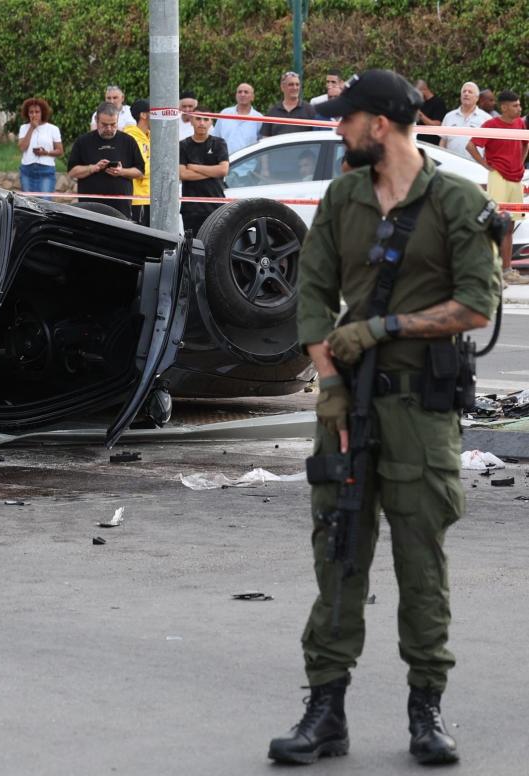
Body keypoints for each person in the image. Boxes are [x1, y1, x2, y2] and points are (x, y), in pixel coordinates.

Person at [269, 69, 500, 766]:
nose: (337, 127)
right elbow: (310, 295)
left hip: (421, 411)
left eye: (345, 117)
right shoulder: (341, 198)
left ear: (380, 123)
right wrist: (331, 382)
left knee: (419, 559)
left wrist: (380, 328)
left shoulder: (457, 202)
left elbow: (474, 306)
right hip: (348, 401)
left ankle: (425, 708)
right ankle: (324, 710)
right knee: (337, 550)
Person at [466, 90, 529, 286]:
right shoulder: (491, 124)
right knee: (495, 225)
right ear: (504, 107)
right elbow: (471, 145)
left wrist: (519, 162)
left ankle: (506, 270)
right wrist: (486, 165)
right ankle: (490, 270)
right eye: (515, 105)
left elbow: (526, 143)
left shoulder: (520, 124)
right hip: (499, 177)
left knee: (510, 226)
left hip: (515, 178)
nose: (519, 108)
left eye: (519, 105)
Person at [66, 102, 144, 216]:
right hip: (89, 207)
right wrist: (93, 168)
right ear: (97, 121)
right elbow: (72, 172)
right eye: (104, 124)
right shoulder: (83, 142)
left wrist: (121, 172)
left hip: (121, 207)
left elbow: (140, 172)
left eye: (113, 124)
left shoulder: (128, 141)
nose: (109, 128)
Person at [178, 107, 229, 235]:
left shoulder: (219, 143)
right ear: (191, 121)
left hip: (215, 205)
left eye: (206, 119)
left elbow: (223, 170)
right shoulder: (183, 145)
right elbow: (183, 174)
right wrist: (212, 171)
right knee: (193, 247)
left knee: (215, 246)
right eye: (198, 119)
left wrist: (194, 167)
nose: (202, 123)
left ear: (211, 122)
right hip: (191, 209)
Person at [16, 97, 63, 193]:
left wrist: (46, 152)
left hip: (46, 170)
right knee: (28, 203)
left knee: (45, 203)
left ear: (42, 113)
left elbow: (60, 150)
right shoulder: (24, 128)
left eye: (37, 112)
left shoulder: (52, 129)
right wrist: (31, 128)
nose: (34, 115)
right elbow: (22, 147)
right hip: (27, 170)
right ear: (27, 113)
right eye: (31, 112)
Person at [441, 82, 491, 158]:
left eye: (470, 92)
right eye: (464, 91)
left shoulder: (486, 118)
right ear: (461, 96)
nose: (466, 94)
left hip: (475, 165)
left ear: (477, 98)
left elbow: (490, 146)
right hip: (451, 164)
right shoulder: (449, 116)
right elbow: (443, 141)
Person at [261, 70, 317, 138]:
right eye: (291, 84)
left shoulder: (309, 110)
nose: (295, 88)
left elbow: (316, 137)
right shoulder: (272, 112)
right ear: (282, 87)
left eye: (297, 84)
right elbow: (265, 138)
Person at [123, 99, 152, 225]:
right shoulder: (132, 138)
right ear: (143, 115)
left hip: (151, 196)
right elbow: (142, 168)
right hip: (139, 198)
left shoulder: (150, 136)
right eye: (154, 113)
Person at [213, 83, 263, 154]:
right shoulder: (225, 114)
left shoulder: (259, 118)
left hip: (248, 163)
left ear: (252, 97)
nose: (242, 94)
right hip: (224, 162)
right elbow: (215, 138)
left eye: (246, 92)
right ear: (236, 96)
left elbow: (261, 144)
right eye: (239, 92)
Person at [415, 79, 447, 145]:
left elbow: (437, 125)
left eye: (417, 93)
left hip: (433, 144)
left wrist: (420, 115)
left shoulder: (438, 103)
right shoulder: (421, 103)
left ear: (423, 90)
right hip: (420, 142)